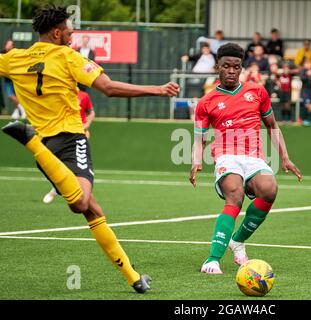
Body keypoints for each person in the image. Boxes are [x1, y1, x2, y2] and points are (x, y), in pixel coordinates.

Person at [0, 5, 179, 293]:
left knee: (91, 209)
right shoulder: (68, 56)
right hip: (70, 140)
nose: (73, 33)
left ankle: (134, 278)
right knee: (81, 203)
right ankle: (28, 139)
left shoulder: (14, 59)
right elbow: (107, 87)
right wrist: (157, 90)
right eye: (70, 29)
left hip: (47, 152)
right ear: (57, 33)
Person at [190, 43, 302, 274]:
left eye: (236, 67)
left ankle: (237, 240)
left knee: (269, 189)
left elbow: (272, 126)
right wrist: (196, 161)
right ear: (217, 68)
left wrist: (285, 157)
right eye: (226, 66)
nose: (231, 70)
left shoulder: (258, 92)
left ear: (241, 68)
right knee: (235, 195)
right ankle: (212, 260)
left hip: (254, 157)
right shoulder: (206, 102)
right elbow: (199, 138)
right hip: (226, 156)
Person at [43, 87, 96, 203]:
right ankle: (57, 188)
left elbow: (91, 112)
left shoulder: (83, 95)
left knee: (81, 164)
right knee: (57, 163)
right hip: (61, 132)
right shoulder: (59, 92)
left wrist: (86, 125)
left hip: (80, 133)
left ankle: (82, 190)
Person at [1, 40, 26, 119]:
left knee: (15, 95)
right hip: (7, 79)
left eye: (10, 44)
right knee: (10, 95)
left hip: (16, 78)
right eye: (7, 44)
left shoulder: (16, 53)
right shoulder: (2, 52)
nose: (8, 46)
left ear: (13, 46)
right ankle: (18, 110)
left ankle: (21, 110)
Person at [299, 61, 311, 126]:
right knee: (307, 105)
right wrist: (307, 75)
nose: (309, 65)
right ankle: (304, 119)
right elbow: (302, 78)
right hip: (305, 91)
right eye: (307, 63)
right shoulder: (303, 71)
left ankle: (307, 119)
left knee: (310, 105)